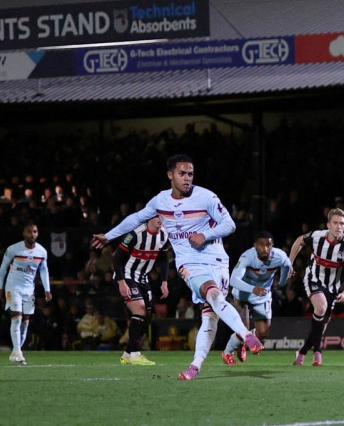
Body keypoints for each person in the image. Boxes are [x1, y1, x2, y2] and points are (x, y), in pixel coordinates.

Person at [91, 154, 261, 380]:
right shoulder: (161, 201)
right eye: (182, 174)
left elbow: (229, 225)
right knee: (213, 295)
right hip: (189, 263)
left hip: (217, 260)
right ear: (170, 175)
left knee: (210, 316)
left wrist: (205, 234)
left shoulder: (206, 197)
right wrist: (109, 236)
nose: (187, 178)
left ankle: (195, 365)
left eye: (190, 174)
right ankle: (245, 335)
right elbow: (136, 218)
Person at [289, 208, 344, 366]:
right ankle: (317, 352)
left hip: (333, 286)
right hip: (313, 278)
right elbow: (300, 240)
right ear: (328, 225)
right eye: (335, 223)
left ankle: (301, 353)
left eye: (341, 223)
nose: (338, 226)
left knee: (322, 322)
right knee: (320, 308)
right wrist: (290, 263)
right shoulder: (317, 237)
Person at [221, 231, 292, 365]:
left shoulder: (279, 256)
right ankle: (227, 353)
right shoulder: (247, 257)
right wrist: (252, 289)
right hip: (242, 295)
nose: (265, 248)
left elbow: (287, 265)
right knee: (243, 328)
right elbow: (233, 280)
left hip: (262, 297)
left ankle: (244, 341)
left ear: (272, 246)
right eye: (261, 245)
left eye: (268, 245)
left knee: (264, 332)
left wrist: (281, 284)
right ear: (255, 246)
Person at [111, 215, 171, 365]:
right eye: (157, 216)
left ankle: (128, 353)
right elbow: (117, 258)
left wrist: (164, 281)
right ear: (149, 216)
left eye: (163, 216)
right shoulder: (136, 234)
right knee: (139, 309)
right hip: (126, 276)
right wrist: (121, 282)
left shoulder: (164, 234)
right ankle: (136, 354)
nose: (160, 219)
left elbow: (163, 258)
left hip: (143, 278)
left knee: (148, 315)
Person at [0, 222, 52, 364]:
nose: (32, 234)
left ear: (37, 233)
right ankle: (18, 352)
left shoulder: (42, 251)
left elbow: (44, 271)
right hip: (13, 286)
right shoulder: (14, 249)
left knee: (26, 322)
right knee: (17, 317)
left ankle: (16, 351)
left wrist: (47, 289)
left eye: (35, 231)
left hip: (29, 289)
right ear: (24, 233)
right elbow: (3, 268)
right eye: (29, 231)